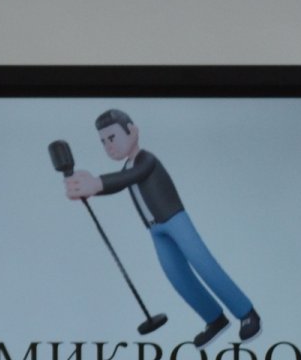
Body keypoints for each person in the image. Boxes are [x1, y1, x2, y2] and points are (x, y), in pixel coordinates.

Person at [63, 109, 259, 346]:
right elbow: (120, 182)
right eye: (103, 142)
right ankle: (214, 318)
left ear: (132, 131)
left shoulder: (146, 160)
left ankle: (246, 313)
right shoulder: (127, 168)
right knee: (177, 276)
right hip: (156, 230)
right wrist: (92, 187)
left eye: (112, 138)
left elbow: (132, 176)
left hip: (176, 221)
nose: (109, 146)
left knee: (205, 266)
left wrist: (97, 183)